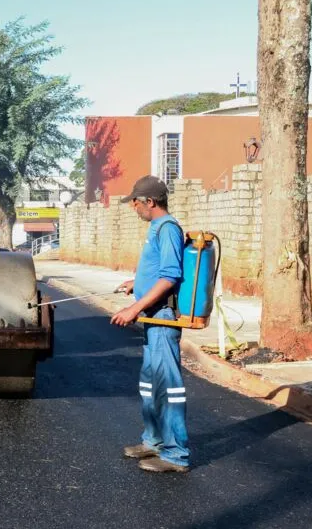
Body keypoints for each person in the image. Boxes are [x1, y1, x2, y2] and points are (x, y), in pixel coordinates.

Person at [110, 175, 189, 474]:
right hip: (151, 317)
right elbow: (156, 272)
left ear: (150, 202)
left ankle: (177, 455)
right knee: (149, 382)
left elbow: (170, 276)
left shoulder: (167, 229)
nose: (133, 207)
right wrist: (136, 283)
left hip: (162, 317)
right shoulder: (156, 228)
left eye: (136, 202)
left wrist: (134, 308)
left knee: (169, 386)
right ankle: (153, 441)